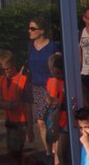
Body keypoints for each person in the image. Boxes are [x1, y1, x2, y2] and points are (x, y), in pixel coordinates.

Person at [0, 50, 31, 165]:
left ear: (14, 65)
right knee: (13, 153)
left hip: (20, 122)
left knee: (15, 153)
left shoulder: (22, 80)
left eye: (8, 69)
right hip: (9, 120)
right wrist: (8, 105)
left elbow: (27, 105)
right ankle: (34, 163)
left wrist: (30, 128)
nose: (6, 72)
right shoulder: (1, 80)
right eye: (3, 70)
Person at [26, 17, 62, 153]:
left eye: (32, 28)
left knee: (52, 121)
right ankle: (48, 152)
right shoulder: (30, 46)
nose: (29, 31)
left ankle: (56, 150)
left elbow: (59, 66)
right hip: (36, 87)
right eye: (29, 28)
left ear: (42, 30)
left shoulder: (52, 47)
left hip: (51, 86)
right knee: (40, 121)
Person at [44, 53, 71, 165]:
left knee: (62, 153)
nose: (57, 76)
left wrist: (57, 104)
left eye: (58, 73)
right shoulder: (61, 82)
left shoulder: (70, 82)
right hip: (62, 121)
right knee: (61, 153)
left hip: (69, 122)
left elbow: (69, 102)